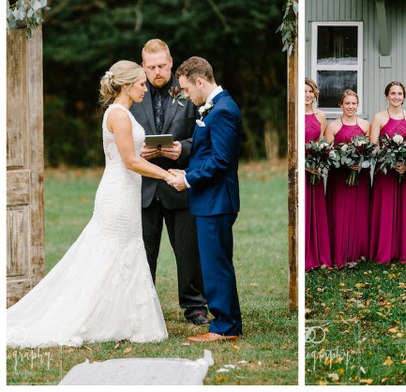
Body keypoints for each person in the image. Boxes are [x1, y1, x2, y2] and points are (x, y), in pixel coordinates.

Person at [7, 61, 175, 347]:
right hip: (118, 195)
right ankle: (88, 316)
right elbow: (130, 161)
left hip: (126, 192)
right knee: (110, 253)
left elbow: (132, 154)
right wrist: (167, 174)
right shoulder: (119, 115)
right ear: (125, 85)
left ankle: (123, 319)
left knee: (127, 251)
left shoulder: (122, 113)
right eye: (141, 84)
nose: (145, 88)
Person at [130, 39, 208, 325]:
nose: (157, 71)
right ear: (143, 67)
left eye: (162, 65)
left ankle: (195, 306)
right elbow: (122, 134)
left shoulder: (188, 91)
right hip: (144, 185)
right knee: (143, 250)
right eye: (151, 67)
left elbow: (203, 134)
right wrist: (138, 150)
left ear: (171, 62)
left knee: (189, 249)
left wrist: (183, 149)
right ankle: (143, 307)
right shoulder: (133, 93)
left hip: (179, 181)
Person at [167, 56, 243, 342]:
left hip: (216, 201)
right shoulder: (215, 108)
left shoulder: (223, 110)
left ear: (200, 82)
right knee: (215, 262)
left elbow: (222, 160)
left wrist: (187, 180)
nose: (185, 95)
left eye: (186, 89)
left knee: (215, 264)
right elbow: (207, 156)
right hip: (209, 199)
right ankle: (228, 321)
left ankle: (225, 326)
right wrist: (185, 170)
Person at [368, 82, 406, 263]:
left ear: (404, 96)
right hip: (385, 172)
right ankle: (385, 252)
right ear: (387, 96)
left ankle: (403, 252)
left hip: (405, 172)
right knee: (385, 210)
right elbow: (373, 146)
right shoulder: (379, 117)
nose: (396, 97)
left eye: (400, 94)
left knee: (405, 211)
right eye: (393, 93)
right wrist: (389, 160)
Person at [323, 90, 371, 267]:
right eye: (347, 103)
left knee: (360, 212)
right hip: (340, 178)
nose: (350, 107)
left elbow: (371, 150)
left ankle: (360, 252)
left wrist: (361, 161)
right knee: (340, 212)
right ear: (341, 105)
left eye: (353, 103)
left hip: (361, 176)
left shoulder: (366, 125)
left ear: (358, 105)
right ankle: (340, 253)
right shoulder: (333, 126)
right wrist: (344, 164)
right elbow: (327, 154)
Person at [304, 78, 331, 271]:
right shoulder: (295, 112)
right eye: (303, 91)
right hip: (302, 169)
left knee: (315, 208)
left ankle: (318, 253)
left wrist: (318, 162)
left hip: (315, 170)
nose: (307, 95)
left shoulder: (321, 116)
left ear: (315, 94)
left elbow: (322, 143)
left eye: (310, 92)